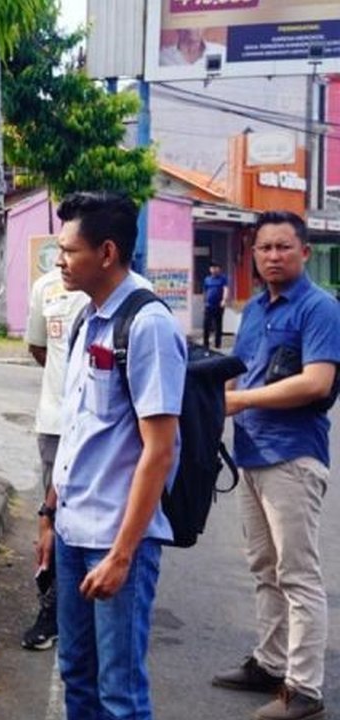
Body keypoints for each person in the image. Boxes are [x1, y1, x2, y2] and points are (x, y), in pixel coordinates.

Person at [36, 191, 186, 720]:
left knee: (119, 692)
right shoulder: (88, 318)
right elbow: (77, 431)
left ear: (106, 253)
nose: (59, 261)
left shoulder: (147, 325)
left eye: (68, 251)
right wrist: (49, 513)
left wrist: (122, 555)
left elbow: (159, 451)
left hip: (116, 538)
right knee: (77, 674)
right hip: (73, 530)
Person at [212, 210, 340, 720]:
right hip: (252, 454)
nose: (272, 256)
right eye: (264, 248)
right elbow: (238, 373)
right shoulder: (253, 310)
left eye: (283, 247)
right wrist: (214, 400)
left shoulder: (319, 308)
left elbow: (316, 382)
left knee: (298, 574)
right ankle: (270, 663)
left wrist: (240, 401)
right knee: (264, 567)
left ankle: (304, 689)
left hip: (293, 456)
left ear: (304, 252)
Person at [20, 268, 90, 651]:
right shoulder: (45, 286)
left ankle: (92, 605)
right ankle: (50, 609)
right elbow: (39, 347)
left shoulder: (128, 294)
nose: (63, 257)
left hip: (100, 429)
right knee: (52, 518)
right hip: (55, 422)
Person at [203, 262, 230, 349]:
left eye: (216, 268)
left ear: (219, 269)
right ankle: (205, 343)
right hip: (209, 305)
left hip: (218, 305)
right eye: (212, 268)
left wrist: (224, 300)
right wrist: (204, 302)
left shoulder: (223, 279)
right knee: (206, 325)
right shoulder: (207, 279)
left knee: (218, 325)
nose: (214, 270)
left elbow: (225, 289)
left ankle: (217, 344)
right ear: (210, 269)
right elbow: (205, 291)